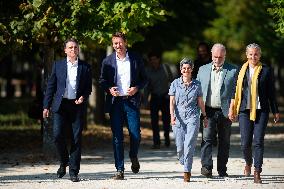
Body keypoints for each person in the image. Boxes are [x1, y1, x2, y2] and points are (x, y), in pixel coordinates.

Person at [228, 43, 280, 184]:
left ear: (260, 55)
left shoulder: (266, 71)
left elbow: (271, 93)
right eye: (250, 54)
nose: (253, 56)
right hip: (245, 110)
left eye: (256, 54)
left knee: (258, 141)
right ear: (246, 55)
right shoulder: (240, 70)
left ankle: (257, 171)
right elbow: (234, 90)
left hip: (261, 110)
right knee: (245, 143)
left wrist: (275, 111)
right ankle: (248, 162)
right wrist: (232, 108)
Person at [99, 32, 147, 180]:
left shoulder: (135, 59)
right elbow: (102, 80)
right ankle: (120, 169)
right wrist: (109, 89)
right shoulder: (107, 61)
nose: (117, 46)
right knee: (117, 137)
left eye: (120, 43)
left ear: (125, 43)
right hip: (115, 103)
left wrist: (136, 88)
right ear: (112, 45)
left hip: (131, 102)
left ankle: (133, 155)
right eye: (115, 43)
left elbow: (144, 79)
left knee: (136, 134)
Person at [42, 38, 92, 182]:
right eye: (70, 47)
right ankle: (64, 161)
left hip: (77, 106)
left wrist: (83, 97)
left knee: (76, 139)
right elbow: (51, 87)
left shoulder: (85, 67)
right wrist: (46, 106)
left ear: (78, 49)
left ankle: (74, 172)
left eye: (75, 47)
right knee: (58, 136)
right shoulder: (58, 65)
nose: (73, 50)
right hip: (60, 105)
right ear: (65, 50)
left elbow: (88, 88)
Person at [197, 43, 237, 178]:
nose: (218, 59)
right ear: (211, 55)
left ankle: (222, 169)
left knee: (224, 141)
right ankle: (206, 167)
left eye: (220, 57)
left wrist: (234, 110)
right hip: (207, 110)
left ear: (225, 56)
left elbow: (237, 93)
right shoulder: (202, 69)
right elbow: (197, 91)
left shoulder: (233, 70)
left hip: (226, 111)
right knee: (207, 138)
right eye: (215, 56)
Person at [169, 58, 208, 182]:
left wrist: (205, 115)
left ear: (192, 69)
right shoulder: (175, 83)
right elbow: (172, 102)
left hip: (193, 117)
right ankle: (182, 158)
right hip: (178, 117)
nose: (186, 70)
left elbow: (200, 101)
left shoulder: (197, 84)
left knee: (189, 144)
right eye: (184, 68)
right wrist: (172, 116)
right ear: (181, 70)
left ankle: (187, 171)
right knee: (180, 147)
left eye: (188, 68)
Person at [144, 51, 173, 149]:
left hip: (165, 97)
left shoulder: (165, 68)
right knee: (154, 121)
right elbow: (147, 87)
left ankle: (167, 138)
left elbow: (172, 82)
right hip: (155, 97)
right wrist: (145, 100)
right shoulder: (148, 71)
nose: (153, 61)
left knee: (166, 120)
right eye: (151, 60)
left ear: (158, 59)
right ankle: (156, 142)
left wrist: (172, 96)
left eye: (155, 59)